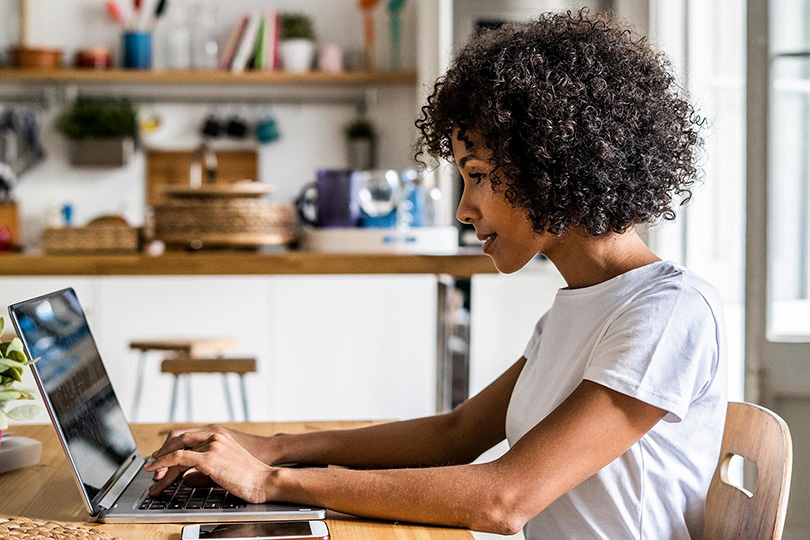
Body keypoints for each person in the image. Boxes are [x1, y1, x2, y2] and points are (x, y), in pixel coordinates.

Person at [146, 9, 727, 539]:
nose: (463, 209)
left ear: (548, 162)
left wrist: (271, 484)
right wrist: (273, 450)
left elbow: (505, 498)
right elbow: (456, 434)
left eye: (476, 175)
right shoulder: (578, 307)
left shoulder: (667, 313)